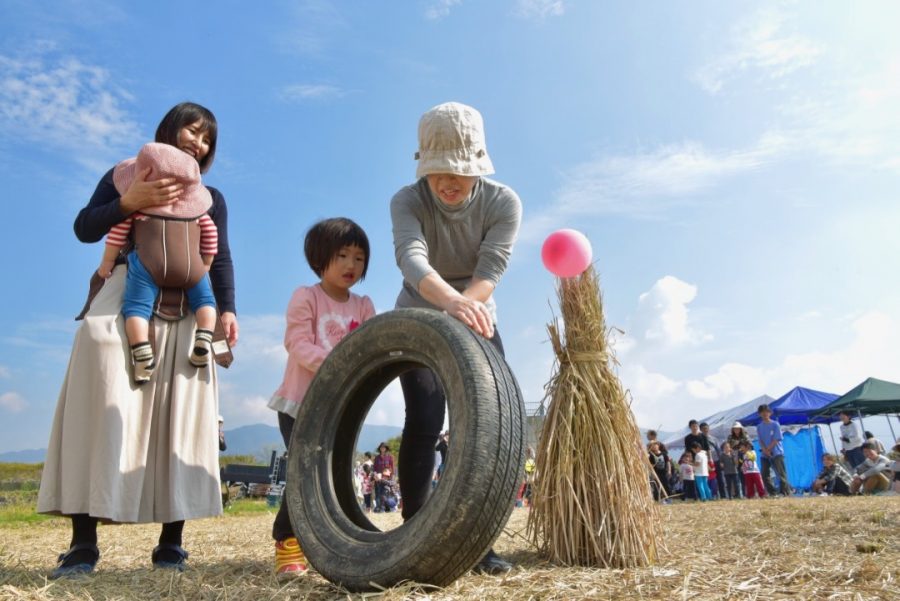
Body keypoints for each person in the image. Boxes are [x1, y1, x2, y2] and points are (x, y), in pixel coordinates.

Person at [37, 102, 238, 578]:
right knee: (100, 373)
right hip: (128, 286)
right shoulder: (123, 174)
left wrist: (228, 309)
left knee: (184, 412)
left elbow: (221, 255)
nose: (199, 142)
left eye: (207, 138)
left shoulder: (211, 197)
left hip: (190, 297)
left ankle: (172, 544)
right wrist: (129, 200)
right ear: (168, 130)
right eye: (192, 131)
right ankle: (83, 544)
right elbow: (86, 227)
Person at [390, 102, 522, 574]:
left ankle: (479, 541)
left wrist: (467, 304)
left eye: (460, 172)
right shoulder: (407, 200)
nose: (449, 181)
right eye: (438, 170)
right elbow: (411, 256)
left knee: (486, 425)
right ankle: (413, 531)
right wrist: (448, 302)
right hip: (421, 309)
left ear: (479, 166)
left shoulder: (503, 202)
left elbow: (492, 267)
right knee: (425, 419)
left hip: (476, 312)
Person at [266, 217, 375, 575]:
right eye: (342, 255)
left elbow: (372, 347)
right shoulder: (307, 296)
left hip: (341, 408)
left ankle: (333, 543)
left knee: (335, 475)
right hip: (301, 404)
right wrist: (341, 364)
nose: (350, 265)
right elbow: (297, 344)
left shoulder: (363, 305)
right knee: (303, 473)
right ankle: (288, 541)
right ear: (319, 258)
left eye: (359, 258)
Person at [98, 143, 220, 384]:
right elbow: (212, 235)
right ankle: (204, 336)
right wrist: (205, 265)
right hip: (191, 267)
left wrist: (107, 264)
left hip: (147, 266)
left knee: (136, 308)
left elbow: (115, 237)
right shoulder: (198, 214)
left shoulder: (137, 210)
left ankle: (141, 350)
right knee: (205, 301)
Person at [756, 404, 793, 496]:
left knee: (781, 474)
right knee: (764, 474)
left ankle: (785, 492)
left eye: (766, 411)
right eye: (762, 412)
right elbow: (760, 440)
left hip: (777, 452)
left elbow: (776, 439)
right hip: (764, 454)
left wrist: (768, 449)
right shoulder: (759, 427)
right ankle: (773, 493)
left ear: (770, 413)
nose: (764, 413)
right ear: (759, 414)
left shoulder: (775, 424)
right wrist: (765, 450)